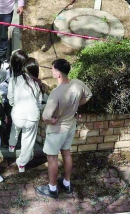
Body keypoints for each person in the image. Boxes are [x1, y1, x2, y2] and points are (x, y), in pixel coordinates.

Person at [35, 59, 91, 199]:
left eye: (52, 69)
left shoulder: (56, 93)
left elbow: (46, 116)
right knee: (66, 153)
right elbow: (88, 95)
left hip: (57, 130)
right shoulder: (77, 83)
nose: (51, 71)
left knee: (52, 158)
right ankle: (66, 183)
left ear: (58, 74)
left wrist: (51, 120)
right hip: (70, 126)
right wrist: (76, 106)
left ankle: (52, 189)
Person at [7, 55, 45, 173]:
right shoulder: (38, 84)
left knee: (15, 127)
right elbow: (39, 103)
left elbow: (10, 98)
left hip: (17, 115)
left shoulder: (14, 80)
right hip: (32, 117)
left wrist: (15, 105)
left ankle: (11, 146)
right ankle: (22, 164)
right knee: (28, 141)